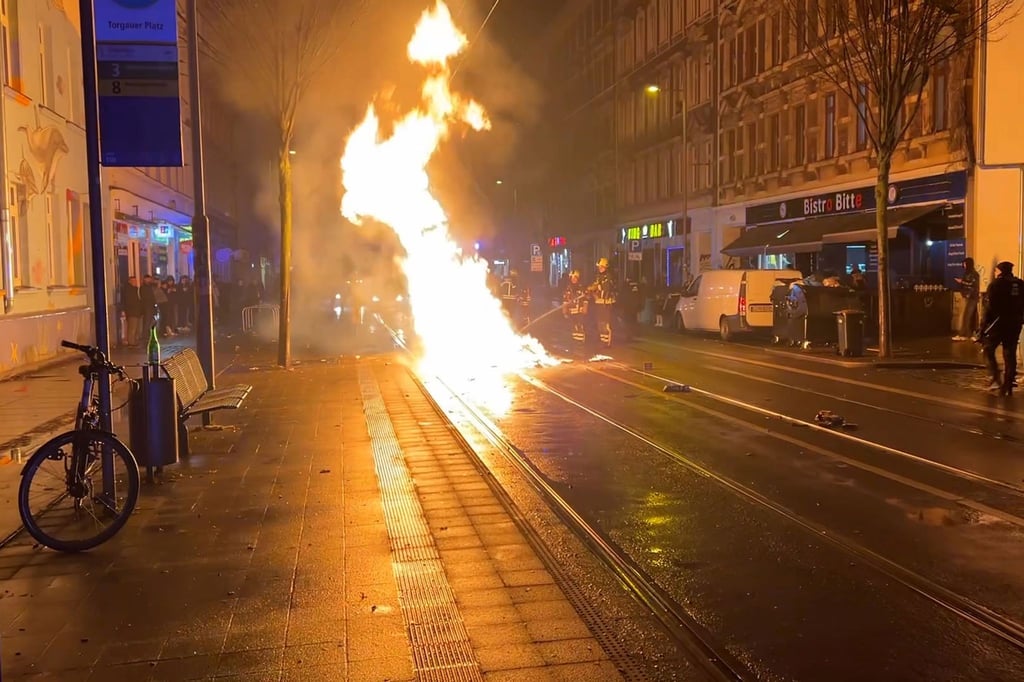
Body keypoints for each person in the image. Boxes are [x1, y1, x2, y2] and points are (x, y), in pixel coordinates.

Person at [981, 261, 1024, 396]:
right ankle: (1008, 385)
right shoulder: (1020, 283)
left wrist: (982, 327)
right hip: (1015, 323)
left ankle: (996, 377)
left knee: (988, 349)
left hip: (998, 323)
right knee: (1009, 353)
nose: (994, 272)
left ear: (1000, 271)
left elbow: (989, 308)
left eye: (996, 270)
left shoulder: (996, 285)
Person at [588, 257, 617, 347]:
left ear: (605, 267)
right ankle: (602, 341)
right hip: (599, 303)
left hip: (606, 303)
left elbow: (606, 288)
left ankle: (607, 342)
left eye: (601, 267)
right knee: (600, 322)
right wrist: (590, 290)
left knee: (606, 323)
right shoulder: (598, 276)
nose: (600, 268)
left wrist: (596, 287)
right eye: (599, 267)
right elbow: (595, 285)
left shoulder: (608, 277)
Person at [954, 257, 981, 341]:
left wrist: (961, 282)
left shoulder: (974, 274)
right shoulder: (967, 273)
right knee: (966, 315)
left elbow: (973, 285)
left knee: (968, 315)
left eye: (965, 263)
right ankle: (966, 333)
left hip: (971, 297)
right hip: (967, 296)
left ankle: (967, 333)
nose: (963, 265)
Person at [562, 269, 588, 344]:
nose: (573, 280)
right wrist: (564, 311)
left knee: (580, 325)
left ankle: (581, 341)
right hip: (571, 311)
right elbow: (565, 300)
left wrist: (585, 308)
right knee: (573, 326)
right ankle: (575, 340)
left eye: (575, 278)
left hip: (580, 311)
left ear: (578, 278)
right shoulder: (568, 288)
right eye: (572, 278)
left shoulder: (581, 287)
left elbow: (585, 299)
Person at [121, 276, 142, 347]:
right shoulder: (128, 290)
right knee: (132, 327)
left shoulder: (135, 289)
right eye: (133, 281)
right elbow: (128, 301)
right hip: (132, 311)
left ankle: (134, 341)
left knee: (135, 327)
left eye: (135, 281)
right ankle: (131, 342)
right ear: (130, 282)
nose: (135, 283)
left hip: (136, 311)